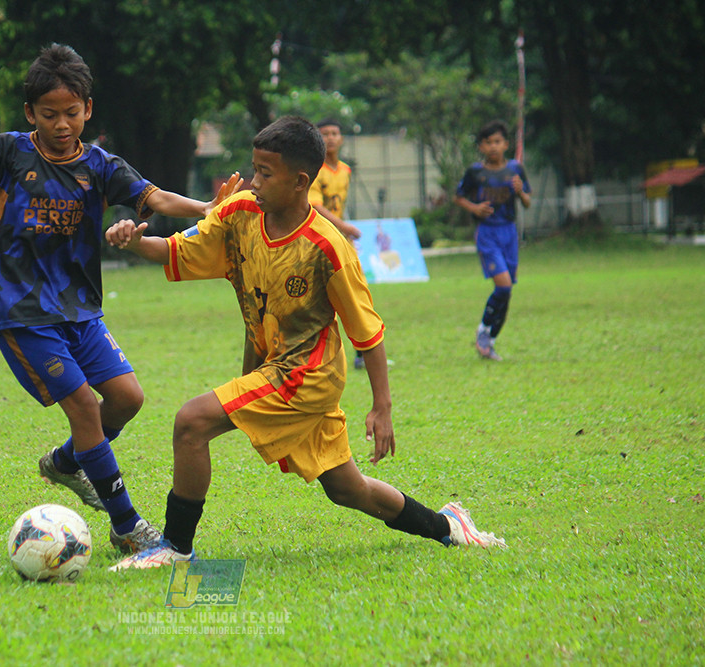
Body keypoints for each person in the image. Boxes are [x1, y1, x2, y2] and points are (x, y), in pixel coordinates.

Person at [105, 116, 505, 571]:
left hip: (306, 375)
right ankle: (449, 526)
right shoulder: (239, 215)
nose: (254, 182)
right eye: (254, 168)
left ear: (299, 182)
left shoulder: (327, 247)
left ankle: (175, 548)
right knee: (347, 489)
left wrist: (382, 407)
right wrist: (134, 242)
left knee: (191, 423)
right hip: (280, 368)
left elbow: (368, 334)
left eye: (265, 173)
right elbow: (180, 250)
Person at [0, 43, 241, 555]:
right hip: (22, 311)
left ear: (88, 110)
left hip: (79, 308)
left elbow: (153, 196)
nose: (61, 124)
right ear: (30, 113)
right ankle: (127, 525)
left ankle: (66, 463)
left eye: (71, 113)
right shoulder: (6, 151)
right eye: (50, 114)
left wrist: (206, 207)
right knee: (82, 406)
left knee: (127, 399)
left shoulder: (100, 164)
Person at [454, 119, 531, 361]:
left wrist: (520, 192)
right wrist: (474, 208)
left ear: (506, 144)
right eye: (488, 143)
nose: (494, 147)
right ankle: (483, 331)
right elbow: (458, 196)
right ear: (481, 147)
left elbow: (528, 202)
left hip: (509, 232)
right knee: (504, 285)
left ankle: (490, 340)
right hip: (487, 233)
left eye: (497, 141)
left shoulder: (516, 169)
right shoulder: (476, 172)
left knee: (506, 292)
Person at [307, 117, 366, 370]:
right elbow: (316, 207)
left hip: (340, 240)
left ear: (341, 138)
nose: (330, 138)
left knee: (357, 292)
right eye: (325, 134)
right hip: (318, 239)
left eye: (334, 133)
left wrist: (343, 230)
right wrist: (345, 227)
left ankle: (363, 350)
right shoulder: (312, 170)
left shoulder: (345, 170)